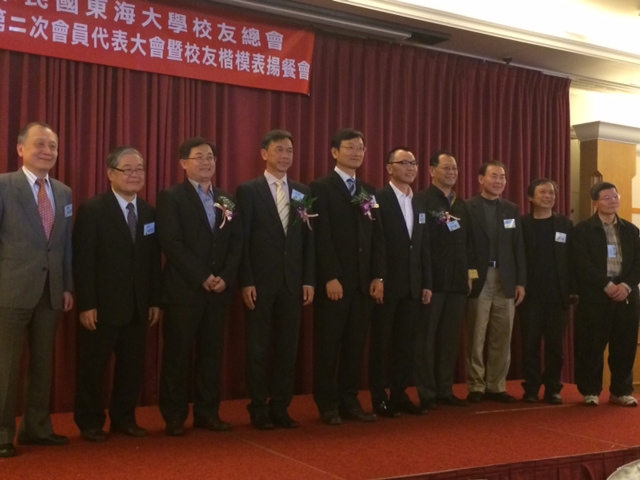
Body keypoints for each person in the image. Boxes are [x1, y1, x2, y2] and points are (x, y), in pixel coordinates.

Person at [72, 146, 162, 442]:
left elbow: (152, 261)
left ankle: (124, 419)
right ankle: (90, 422)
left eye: (140, 169)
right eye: (128, 169)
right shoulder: (93, 210)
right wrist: (87, 304)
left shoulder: (149, 212)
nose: (135, 174)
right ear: (111, 174)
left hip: (138, 306)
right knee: (94, 368)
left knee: (131, 368)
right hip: (102, 306)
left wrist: (154, 300)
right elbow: (83, 261)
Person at [157, 137, 242, 436]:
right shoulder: (171, 197)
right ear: (183, 163)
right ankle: (174, 416)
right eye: (199, 157)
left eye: (210, 157)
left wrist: (225, 277)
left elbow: (236, 243)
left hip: (218, 292)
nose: (206, 162)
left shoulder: (227, 198)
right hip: (184, 291)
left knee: (211, 355)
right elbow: (171, 242)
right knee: (177, 355)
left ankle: (208, 413)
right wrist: (203, 276)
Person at [0, 122, 73, 458]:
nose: (47, 151)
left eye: (52, 146)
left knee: (43, 364)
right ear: (20, 149)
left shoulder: (63, 191)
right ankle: (2, 434)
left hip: (51, 291)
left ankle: (37, 428)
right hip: (10, 290)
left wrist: (67, 285)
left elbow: (65, 244)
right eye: (39, 144)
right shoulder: (4, 186)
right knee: (6, 366)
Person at [236, 130, 315, 430]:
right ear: (264, 154)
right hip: (260, 283)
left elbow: (308, 240)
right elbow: (242, 241)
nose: (285, 156)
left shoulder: (302, 191)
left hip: (292, 283)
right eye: (279, 150)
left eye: (289, 151)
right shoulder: (248, 190)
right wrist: (246, 280)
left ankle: (281, 406)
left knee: (287, 349)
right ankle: (258, 407)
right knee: (257, 349)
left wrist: (308, 280)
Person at [310, 128, 385, 425]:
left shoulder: (368, 190)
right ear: (334, 152)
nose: (356, 152)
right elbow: (321, 236)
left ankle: (349, 401)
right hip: (336, 283)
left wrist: (378, 276)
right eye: (350, 147)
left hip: (364, 283)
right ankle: (327, 403)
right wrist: (330, 276)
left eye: (360, 148)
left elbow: (377, 236)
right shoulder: (320, 187)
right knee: (329, 345)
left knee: (355, 346)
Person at [369, 147, 431, 418]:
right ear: (389, 168)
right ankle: (379, 397)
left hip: (413, 285)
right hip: (387, 284)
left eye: (413, 163)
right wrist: (379, 277)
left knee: (406, 345)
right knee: (382, 344)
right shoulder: (378, 199)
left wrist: (426, 282)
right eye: (403, 163)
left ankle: (400, 394)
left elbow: (422, 245)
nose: (410, 167)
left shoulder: (419, 201)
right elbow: (376, 243)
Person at [415, 151, 475, 410]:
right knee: (427, 339)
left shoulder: (462, 204)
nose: (452, 172)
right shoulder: (422, 200)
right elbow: (421, 244)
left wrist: (471, 275)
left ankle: (445, 389)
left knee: (450, 340)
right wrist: (425, 280)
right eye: (446, 168)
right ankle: (427, 392)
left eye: (455, 168)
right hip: (433, 282)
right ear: (431, 171)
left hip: (458, 282)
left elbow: (470, 244)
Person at [573, 182, 640, 407]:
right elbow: (582, 263)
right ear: (596, 202)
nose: (613, 201)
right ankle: (591, 391)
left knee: (625, 346)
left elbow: (638, 263)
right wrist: (606, 285)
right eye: (607, 198)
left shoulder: (631, 230)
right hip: (595, 296)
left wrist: (626, 286)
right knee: (592, 346)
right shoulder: (583, 230)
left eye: (615, 197)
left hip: (626, 297)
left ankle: (621, 391)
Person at [465, 160, 526, 403]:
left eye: (502, 177)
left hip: (506, 278)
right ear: (481, 179)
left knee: (502, 335)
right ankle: (476, 385)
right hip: (479, 277)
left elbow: (518, 247)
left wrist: (521, 282)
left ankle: (496, 385)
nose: (499, 181)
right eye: (494, 176)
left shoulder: (511, 209)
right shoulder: (468, 207)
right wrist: (469, 275)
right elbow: (465, 246)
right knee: (476, 335)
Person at [519, 178, 573, 404]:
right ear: (530, 197)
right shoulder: (522, 224)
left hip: (557, 296)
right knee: (529, 345)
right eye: (542, 192)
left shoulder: (565, 224)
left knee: (555, 347)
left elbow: (572, 260)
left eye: (551, 192)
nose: (548, 196)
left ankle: (553, 388)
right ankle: (531, 388)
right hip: (529, 295)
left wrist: (572, 291)